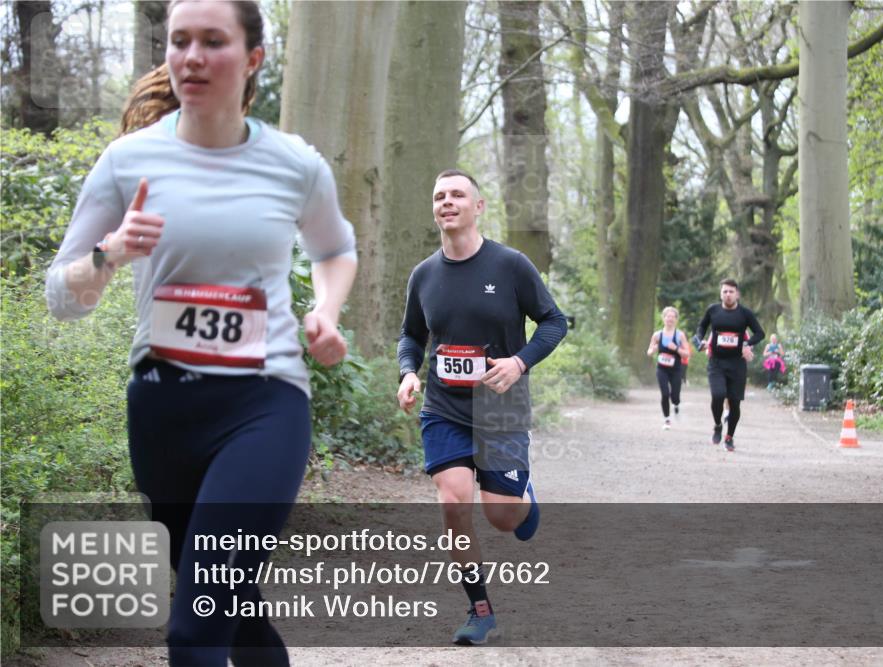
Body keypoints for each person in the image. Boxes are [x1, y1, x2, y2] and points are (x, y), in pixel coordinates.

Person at [45, 2, 357, 664]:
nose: (190, 56)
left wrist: (326, 312)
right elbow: (60, 296)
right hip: (162, 406)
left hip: (264, 401)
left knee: (195, 629)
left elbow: (336, 248)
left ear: (252, 60)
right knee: (231, 609)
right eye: (179, 41)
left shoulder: (294, 163)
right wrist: (109, 254)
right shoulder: (128, 161)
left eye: (213, 42)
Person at [396, 169, 567, 645]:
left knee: (502, 518)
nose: (446, 202)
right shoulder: (424, 275)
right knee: (452, 499)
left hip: (501, 408)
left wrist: (520, 362)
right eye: (438, 196)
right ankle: (480, 609)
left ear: (478, 206)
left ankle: (523, 498)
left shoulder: (510, 265)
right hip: (444, 406)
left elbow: (554, 322)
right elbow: (411, 334)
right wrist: (409, 372)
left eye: (456, 194)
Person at [694, 279, 764, 451]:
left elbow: (760, 333)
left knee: (735, 403)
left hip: (737, 364)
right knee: (718, 395)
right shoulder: (713, 310)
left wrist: (747, 345)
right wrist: (699, 341)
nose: (728, 294)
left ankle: (729, 436)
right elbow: (701, 327)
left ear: (737, 294)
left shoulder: (745, 313)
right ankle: (718, 424)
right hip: (716, 362)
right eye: (724, 291)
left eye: (731, 291)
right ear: (721, 293)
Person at [646, 306, 691, 429]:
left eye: (672, 317)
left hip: (676, 369)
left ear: (676, 319)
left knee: (675, 396)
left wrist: (676, 348)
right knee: (665, 393)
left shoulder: (680, 335)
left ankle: (676, 405)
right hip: (662, 369)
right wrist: (653, 350)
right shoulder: (657, 335)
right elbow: (649, 352)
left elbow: (687, 353)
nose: (669, 319)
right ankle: (667, 420)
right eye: (667, 316)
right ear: (663, 318)